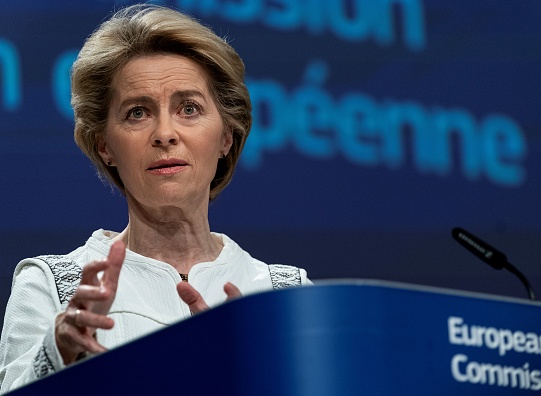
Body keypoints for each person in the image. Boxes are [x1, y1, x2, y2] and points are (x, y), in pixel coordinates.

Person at [0, 4, 311, 393]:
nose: (165, 133)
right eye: (137, 113)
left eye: (189, 108)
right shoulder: (52, 287)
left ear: (226, 137)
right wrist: (59, 353)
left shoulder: (285, 295)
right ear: (105, 145)